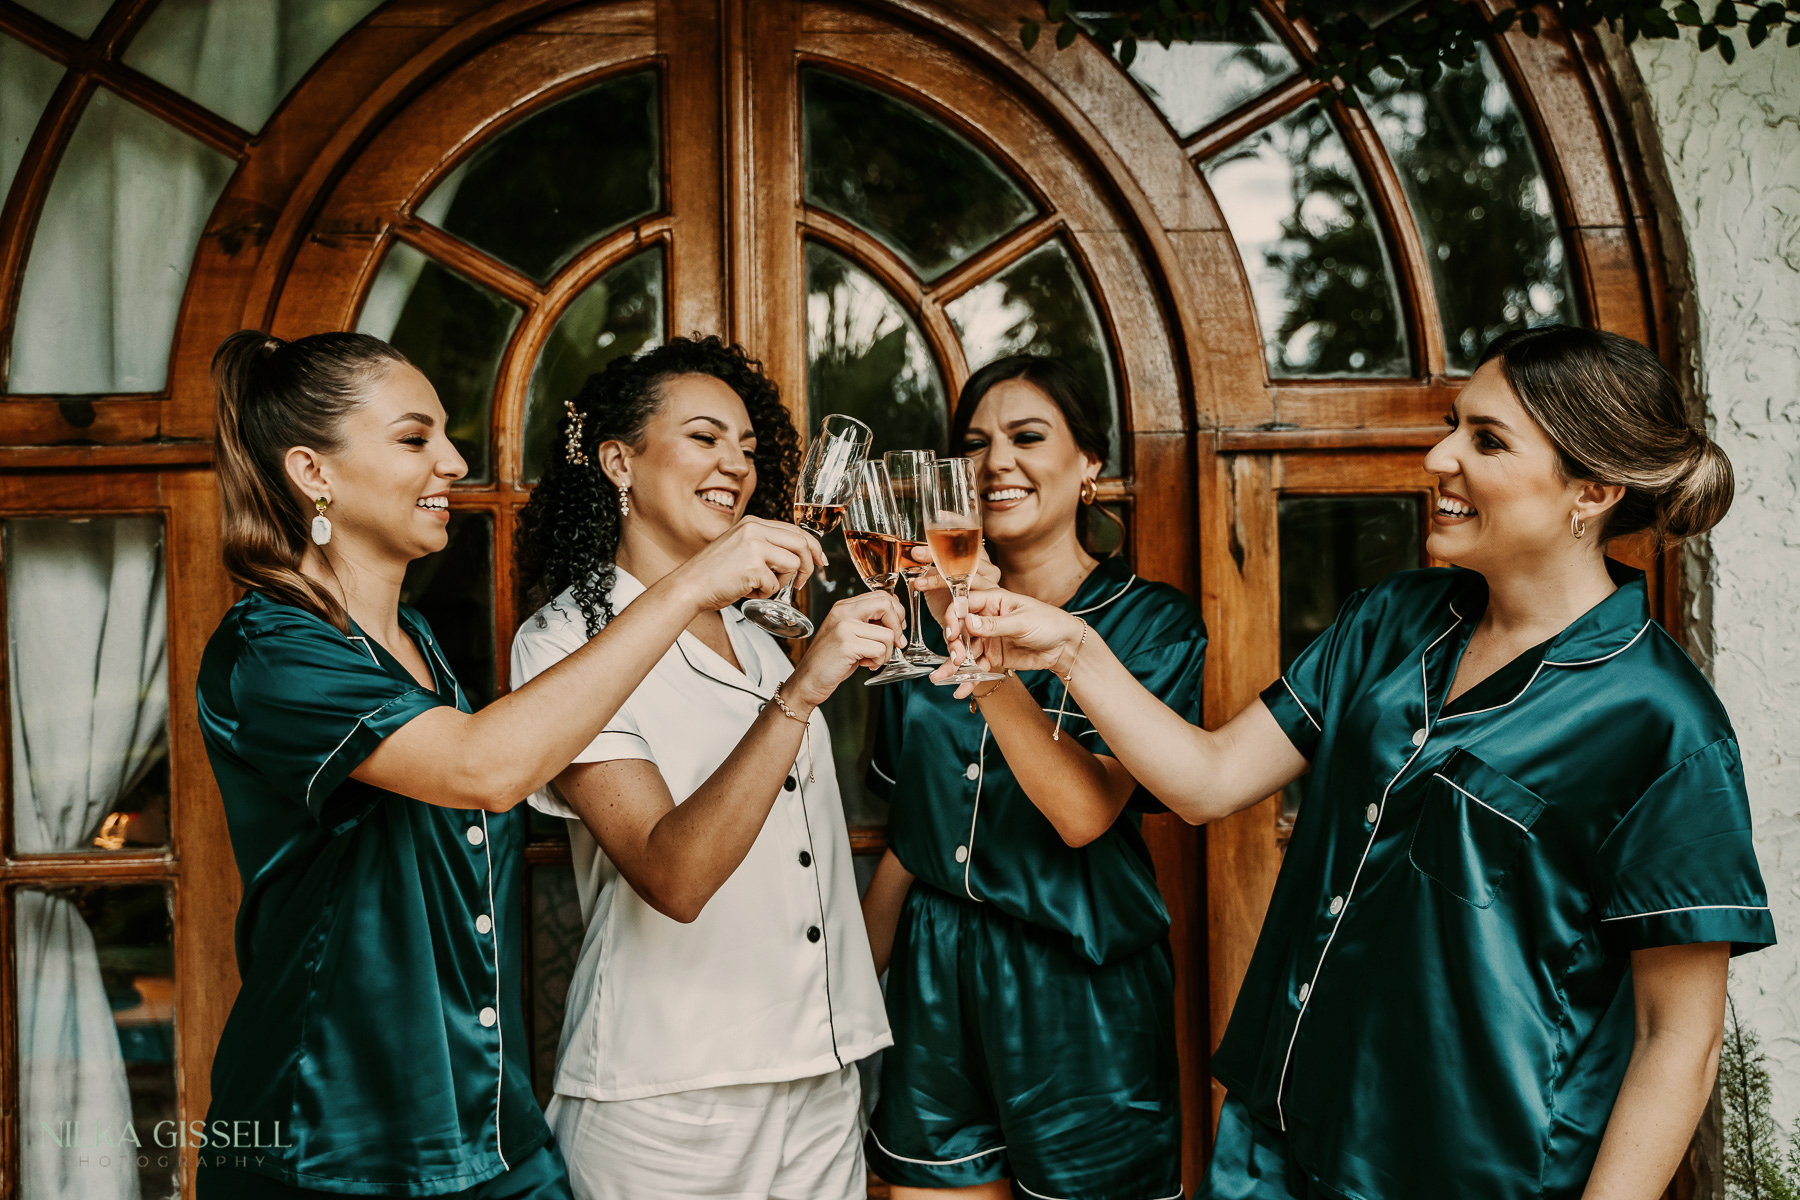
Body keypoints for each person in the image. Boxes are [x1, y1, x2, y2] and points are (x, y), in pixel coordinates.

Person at [945, 326, 1775, 1200]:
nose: (1439, 455)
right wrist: (1073, 649)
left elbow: (1675, 1038)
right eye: (1454, 423)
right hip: (1278, 1143)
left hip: (1465, 1174)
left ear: (1593, 489)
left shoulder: (1663, 722)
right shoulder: (1390, 619)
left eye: (1486, 440)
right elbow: (1209, 781)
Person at [195, 330, 824, 1200]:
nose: (453, 460)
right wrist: (686, 585)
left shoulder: (415, 642)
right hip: (337, 1135)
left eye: (447, 436)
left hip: (486, 1120)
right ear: (314, 473)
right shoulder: (270, 648)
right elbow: (486, 768)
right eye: (415, 439)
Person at [509, 336, 898, 1200]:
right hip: (668, 1100)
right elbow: (673, 873)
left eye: (750, 450)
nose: (737, 466)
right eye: (704, 438)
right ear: (620, 462)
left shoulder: (770, 633)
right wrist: (804, 693)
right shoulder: (563, 643)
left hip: (822, 1079)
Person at [859, 356, 1206, 1200]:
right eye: (974, 444)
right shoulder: (915, 621)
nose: (995, 463)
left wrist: (982, 657)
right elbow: (912, 833)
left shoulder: (1151, 623)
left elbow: (1084, 813)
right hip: (933, 973)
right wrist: (850, 992)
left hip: (1076, 981)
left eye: (1027, 437)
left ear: (1089, 463)